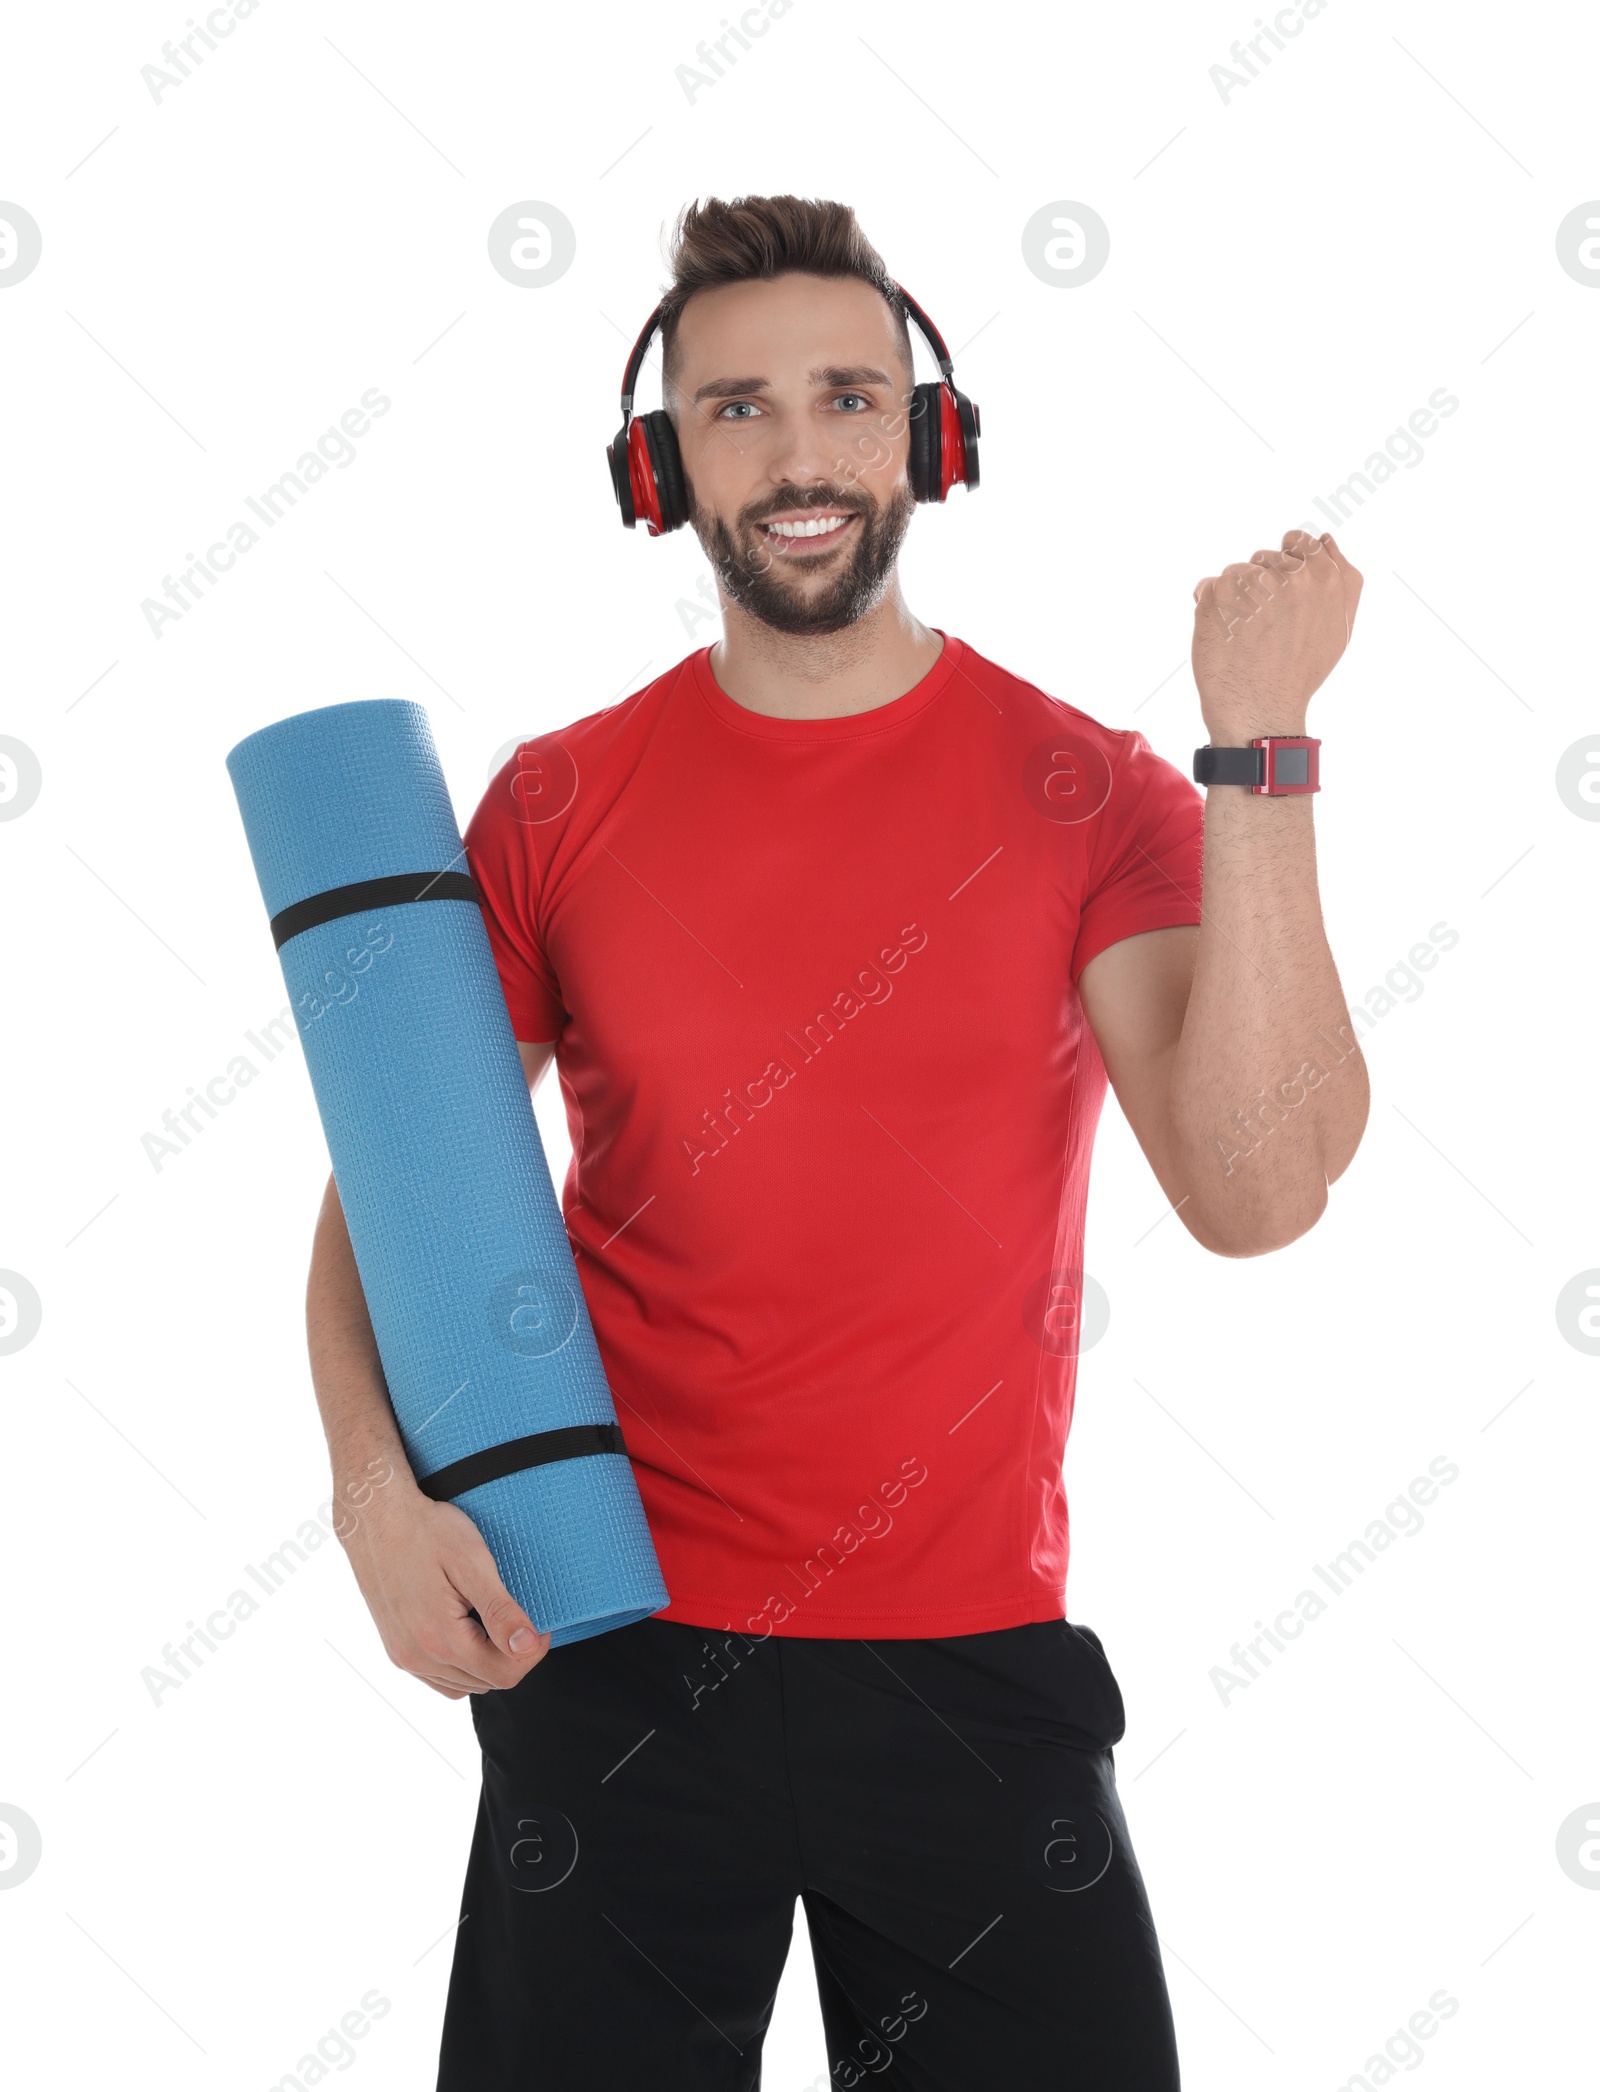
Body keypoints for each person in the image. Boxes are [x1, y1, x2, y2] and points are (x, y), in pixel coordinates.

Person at [307, 194, 1368, 2090]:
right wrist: (373, 1497)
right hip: (611, 1651)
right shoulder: (557, 800)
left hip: (967, 1664)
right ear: (662, 466)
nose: (801, 455)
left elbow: (1258, 1187)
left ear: (926, 439)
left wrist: (1257, 750)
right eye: (737, 410)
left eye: (849, 399)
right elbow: (391, 1186)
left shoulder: (1082, 788)